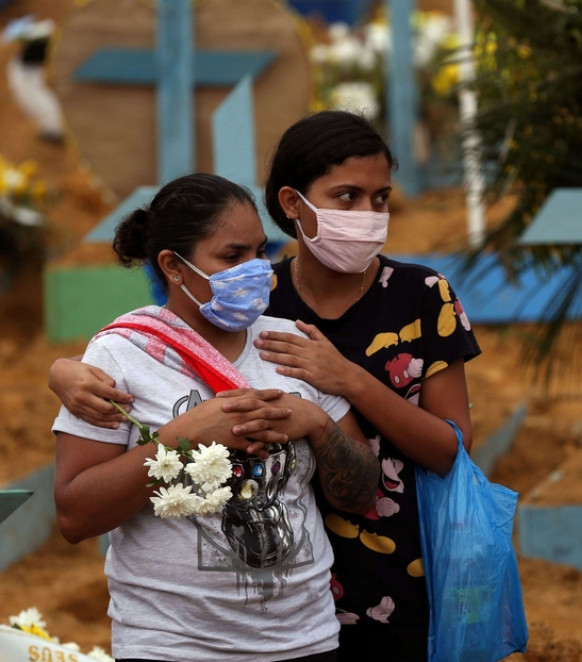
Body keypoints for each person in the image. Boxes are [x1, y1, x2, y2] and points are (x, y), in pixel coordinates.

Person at [50, 111, 482, 660]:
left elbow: (408, 465)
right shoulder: (231, 310)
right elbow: (154, 345)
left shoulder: (305, 332)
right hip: (181, 638)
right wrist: (69, 374)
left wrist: (329, 410)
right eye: (347, 196)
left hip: (368, 587)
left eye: (380, 198)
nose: (252, 270)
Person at [51, 172, 380, 662]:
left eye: (260, 252)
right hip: (173, 645)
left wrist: (316, 423)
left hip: (306, 641)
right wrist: (181, 437)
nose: (256, 270)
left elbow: (359, 493)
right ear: (174, 266)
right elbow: (75, 516)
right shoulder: (120, 356)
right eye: (232, 257)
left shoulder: (291, 345)